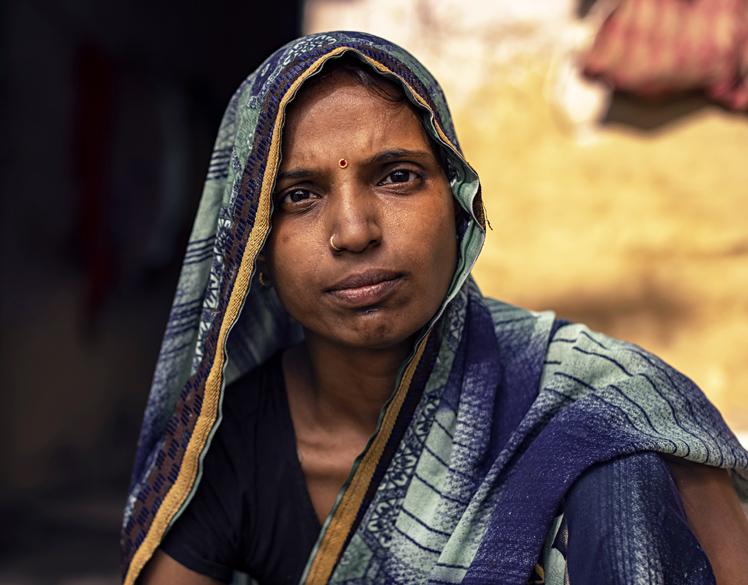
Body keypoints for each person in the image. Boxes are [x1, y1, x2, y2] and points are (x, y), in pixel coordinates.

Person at [122, 32, 748, 585]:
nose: (354, 231)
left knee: (622, 472)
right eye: (299, 195)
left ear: (459, 204)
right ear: (252, 250)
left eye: (397, 176)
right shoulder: (229, 444)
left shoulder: (618, 408)